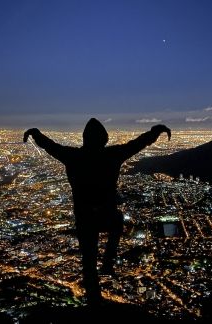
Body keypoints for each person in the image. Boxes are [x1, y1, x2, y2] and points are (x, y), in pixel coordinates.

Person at [23, 118, 171, 304]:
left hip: (84, 217)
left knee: (88, 259)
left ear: (85, 139)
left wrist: (36, 134)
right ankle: (108, 263)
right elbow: (136, 145)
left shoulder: (73, 156)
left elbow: (51, 146)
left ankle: (94, 299)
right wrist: (155, 132)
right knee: (117, 220)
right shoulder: (112, 155)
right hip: (106, 213)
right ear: (105, 139)